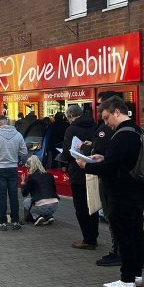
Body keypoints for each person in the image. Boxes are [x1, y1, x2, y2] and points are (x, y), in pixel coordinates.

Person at [77, 96, 144, 287]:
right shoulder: (136, 130)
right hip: (136, 191)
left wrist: (87, 165)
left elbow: (110, 168)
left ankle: (127, 279)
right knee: (135, 234)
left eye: (107, 118)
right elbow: (122, 161)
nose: (106, 123)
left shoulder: (122, 135)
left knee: (124, 235)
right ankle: (136, 274)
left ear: (117, 112)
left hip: (121, 193)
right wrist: (103, 158)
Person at [63, 105, 100, 249]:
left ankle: (88, 239)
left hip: (78, 172)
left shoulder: (71, 129)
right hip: (94, 169)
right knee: (93, 204)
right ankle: (94, 236)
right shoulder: (95, 126)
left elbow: (67, 153)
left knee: (81, 206)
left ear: (70, 116)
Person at [92, 92, 121, 267]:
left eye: (105, 117)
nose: (104, 122)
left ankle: (118, 252)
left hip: (113, 182)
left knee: (113, 216)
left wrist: (91, 162)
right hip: (115, 181)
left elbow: (104, 153)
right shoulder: (122, 130)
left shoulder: (112, 131)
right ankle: (118, 251)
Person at [0, 115, 27, 231]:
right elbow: (24, 152)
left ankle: (2, 222)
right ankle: (15, 221)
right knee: (14, 195)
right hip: (13, 167)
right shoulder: (18, 135)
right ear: (7, 122)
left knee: (2, 196)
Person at [21, 155, 59, 226]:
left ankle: (36, 217)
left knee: (26, 201)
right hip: (55, 206)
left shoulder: (31, 177)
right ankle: (48, 216)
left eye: (27, 168)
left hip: (42, 207)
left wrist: (23, 183)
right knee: (41, 202)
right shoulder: (50, 175)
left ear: (30, 167)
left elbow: (24, 194)